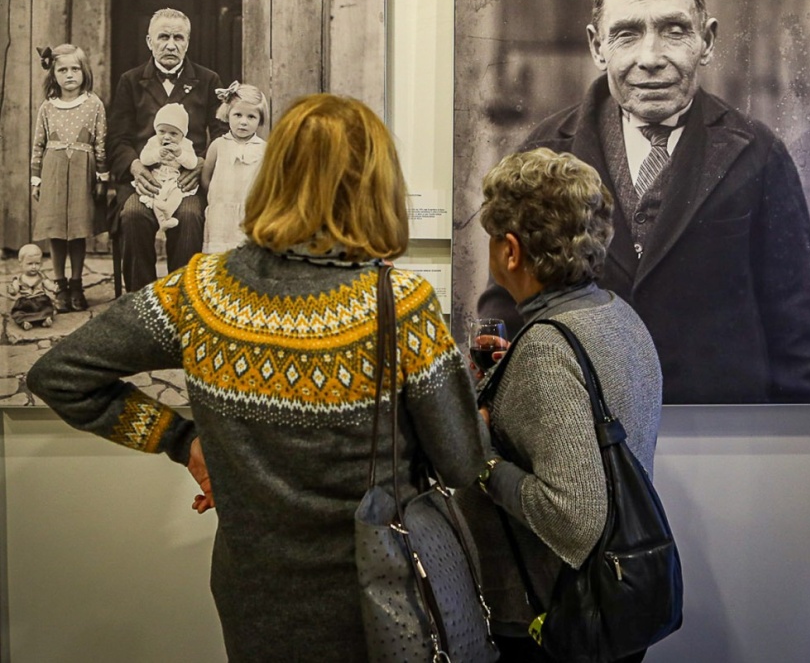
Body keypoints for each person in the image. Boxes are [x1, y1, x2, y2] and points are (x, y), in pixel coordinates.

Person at [27, 93, 488, 662]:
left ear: (272, 178)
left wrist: (182, 441)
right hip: (382, 600)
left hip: (253, 597)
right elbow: (463, 462)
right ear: (375, 186)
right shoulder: (400, 305)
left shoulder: (198, 292)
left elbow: (58, 374)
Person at [477, 0, 810, 405]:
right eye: (627, 34)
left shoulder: (759, 155)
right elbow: (503, 311)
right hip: (581, 434)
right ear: (597, 45)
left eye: (675, 31)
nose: (651, 58)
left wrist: (794, 450)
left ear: (707, 41)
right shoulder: (541, 152)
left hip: (724, 439)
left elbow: (795, 326)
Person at [457, 148, 663, 662]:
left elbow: (575, 516)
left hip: (552, 624)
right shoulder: (619, 316)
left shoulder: (550, 346)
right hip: (610, 609)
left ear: (510, 251)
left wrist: (482, 463)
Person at [107, 7, 225, 292]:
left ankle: (181, 298)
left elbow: (222, 133)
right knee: (133, 215)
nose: (171, 44)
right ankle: (141, 301)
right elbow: (116, 139)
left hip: (187, 180)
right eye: (163, 37)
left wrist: (201, 165)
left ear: (188, 42)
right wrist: (135, 165)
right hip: (143, 180)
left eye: (178, 37)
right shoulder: (131, 81)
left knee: (190, 216)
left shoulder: (208, 81)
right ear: (149, 41)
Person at [30, 44, 108, 312]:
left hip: (81, 173)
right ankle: (60, 284)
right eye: (62, 70)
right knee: (56, 230)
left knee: (77, 230)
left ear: (84, 72)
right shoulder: (47, 107)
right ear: (53, 75)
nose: (70, 75)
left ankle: (76, 284)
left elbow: (101, 141)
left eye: (75, 68)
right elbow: (38, 144)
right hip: (53, 170)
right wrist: (36, 178)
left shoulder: (93, 104)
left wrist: (102, 176)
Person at [202, 81, 269, 252]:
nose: (243, 122)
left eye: (251, 117)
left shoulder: (264, 149)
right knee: (219, 259)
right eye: (238, 115)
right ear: (227, 114)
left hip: (250, 214)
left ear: (260, 119)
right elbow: (206, 177)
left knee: (246, 256)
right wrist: (220, 198)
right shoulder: (218, 145)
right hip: (221, 216)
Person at [137, 103, 199, 231]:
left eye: (173, 133)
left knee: (177, 193)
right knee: (155, 195)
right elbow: (144, 159)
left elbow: (192, 163)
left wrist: (180, 154)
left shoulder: (185, 144)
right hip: (157, 177)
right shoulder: (154, 141)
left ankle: (167, 214)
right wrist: (157, 154)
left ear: (183, 135)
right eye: (162, 131)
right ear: (156, 130)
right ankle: (162, 221)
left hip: (174, 178)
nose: (166, 137)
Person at [6, 244, 57, 330]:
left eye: (37, 263)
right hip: (26, 304)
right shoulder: (19, 279)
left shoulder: (41, 276)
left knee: (48, 309)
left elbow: (47, 284)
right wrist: (12, 290)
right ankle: (25, 322)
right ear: (21, 263)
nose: (34, 267)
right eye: (30, 264)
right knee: (18, 313)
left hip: (41, 301)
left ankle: (46, 319)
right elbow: (15, 290)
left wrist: (53, 287)